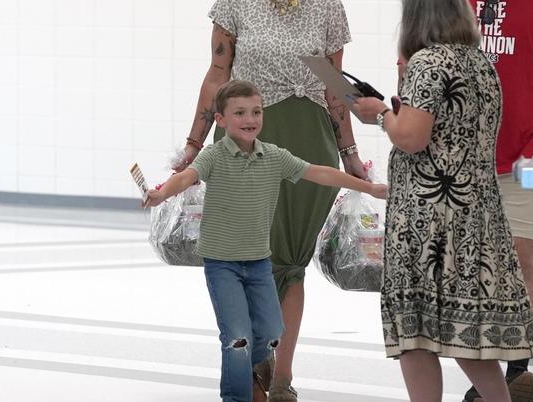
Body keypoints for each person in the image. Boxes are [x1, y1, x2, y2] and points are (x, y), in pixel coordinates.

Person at [181, 0, 365, 402]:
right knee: (245, 256)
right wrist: (194, 144)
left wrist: (349, 154)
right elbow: (218, 75)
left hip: (308, 138)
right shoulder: (236, 0)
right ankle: (256, 367)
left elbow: (334, 86)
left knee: (290, 262)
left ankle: (280, 377)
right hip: (244, 142)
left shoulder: (327, 4)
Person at [354, 0, 533, 402]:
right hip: (473, 211)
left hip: (426, 217)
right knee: (464, 331)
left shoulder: (428, 62)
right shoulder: (481, 64)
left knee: (416, 329)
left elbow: (412, 138)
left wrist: (379, 112)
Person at [147, 80, 387, 402]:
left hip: (259, 263)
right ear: (220, 119)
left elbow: (319, 173)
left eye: (256, 112)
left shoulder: (272, 156)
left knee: (273, 330)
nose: (250, 119)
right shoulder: (215, 156)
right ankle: (237, 395)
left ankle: (256, 367)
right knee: (237, 337)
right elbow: (187, 176)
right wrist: (162, 193)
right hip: (224, 264)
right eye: (240, 113)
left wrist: (368, 188)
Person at [443, 0, 533, 401]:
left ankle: (516, 372)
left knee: (522, 261)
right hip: (458, 160)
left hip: (528, 157)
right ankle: (486, 377)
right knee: (469, 272)